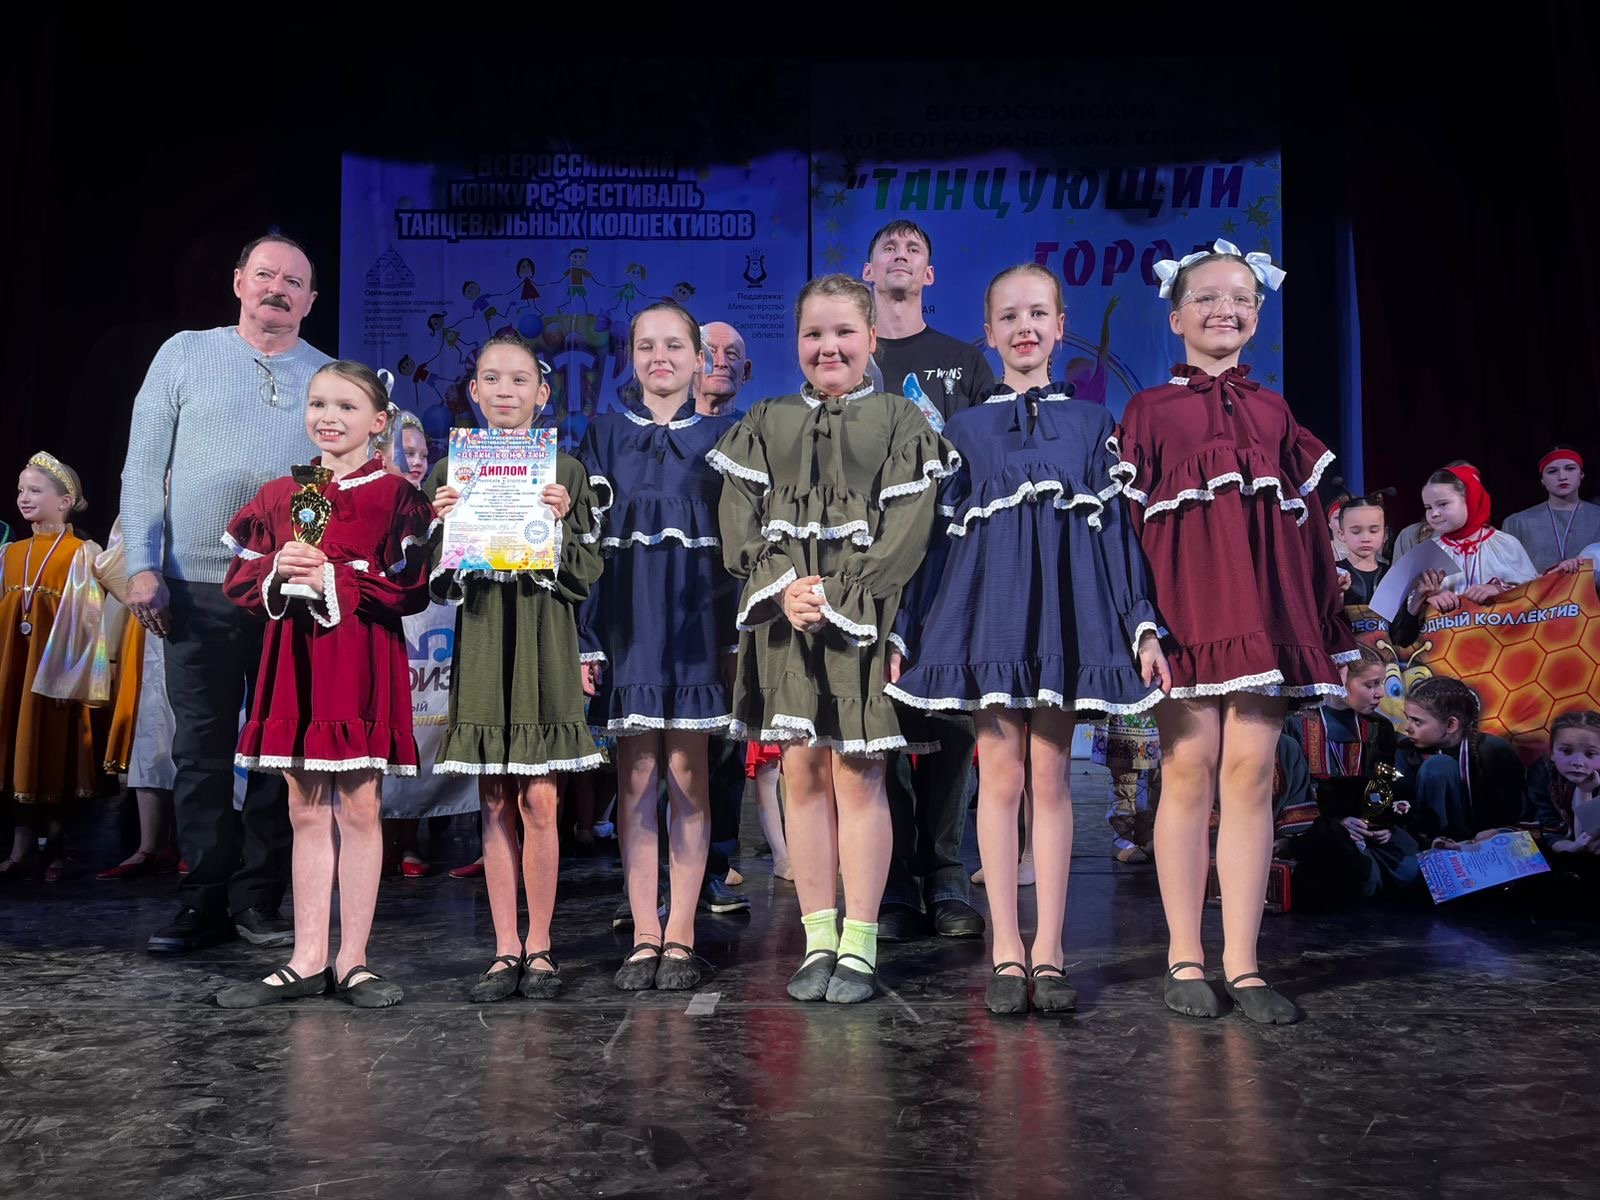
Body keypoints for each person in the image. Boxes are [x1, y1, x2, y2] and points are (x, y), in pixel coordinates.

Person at [885, 263, 1169, 1015]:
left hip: (1065, 617)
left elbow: (1118, 537)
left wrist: (1139, 621)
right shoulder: (963, 430)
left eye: (1038, 313)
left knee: (1050, 775)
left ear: (1059, 325)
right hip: (990, 615)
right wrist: (908, 626)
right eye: (1009, 316)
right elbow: (933, 542)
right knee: (1000, 775)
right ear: (988, 333)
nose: (1024, 327)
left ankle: (1051, 948)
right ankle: (1006, 947)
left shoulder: (1093, 424)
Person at [1120, 239, 1353, 1025]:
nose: (1227, 309)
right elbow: (1125, 529)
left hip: (1264, 614)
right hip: (1185, 614)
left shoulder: (1274, 410)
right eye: (1209, 297)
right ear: (1176, 315)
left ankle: (1244, 962)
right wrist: (1140, 623)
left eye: (1242, 298)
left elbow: (1305, 525)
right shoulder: (1149, 410)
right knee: (1189, 769)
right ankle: (1186, 954)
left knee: (1252, 775)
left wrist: (1323, 621)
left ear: (1257, 315)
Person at [711, 273, 956, 1003]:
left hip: (862, 619)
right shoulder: (766, 419)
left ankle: (861, 942)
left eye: (845, 332)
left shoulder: (900, 419)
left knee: (860, 774)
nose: (829, 346)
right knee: (802, 772)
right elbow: (739, 518)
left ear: (872, 338)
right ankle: (818, 937)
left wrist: (844, 595)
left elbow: (910, 529)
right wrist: (784, 586)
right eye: (813, 333)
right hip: (785, 618)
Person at [120, 234, 332, 953]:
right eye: (265, 275)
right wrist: (142, 565)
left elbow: (347, 480)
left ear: (310, 300)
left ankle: (257, 902)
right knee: (201, 753)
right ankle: (201, 901)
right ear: (238, 281)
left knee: (280, 754)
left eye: (293, 282)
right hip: (194, 586)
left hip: (289, 592)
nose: (277, 289)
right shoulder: (184, 353)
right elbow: (142, 468)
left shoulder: (329, 375)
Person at [212, 362, 434, 1008]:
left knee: (360, 807)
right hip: (296, 656)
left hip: (361, 657)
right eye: (317, 404)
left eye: (345, 406)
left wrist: (338, 576)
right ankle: (306, 958)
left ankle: (353, 960)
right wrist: (279, 568)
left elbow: (413, 588)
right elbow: (238, 582)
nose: (328, 417)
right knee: (304, 808)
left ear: (379, 421)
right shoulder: (281, 494)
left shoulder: (397, 497)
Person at [426, 332, 605, 1003]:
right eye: (492, 379)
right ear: (474, 390)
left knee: (541, 797)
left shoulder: (566, 471)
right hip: (482, 636)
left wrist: (558, 523)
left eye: (520, 379)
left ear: (543, 392)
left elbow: (586, 571)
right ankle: (505, 947)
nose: (506, 391)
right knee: (496, 796)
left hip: (543, 637)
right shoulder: (450, 471)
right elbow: (435, 581)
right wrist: (445, 527)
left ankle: (542, 945)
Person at [578, 303, 738, 990]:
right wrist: (586, 639)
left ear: (699, 358)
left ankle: (682, 932)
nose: (660, 357)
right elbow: (583, 544)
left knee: (688, 773)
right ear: (632, 356)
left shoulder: (729, 436)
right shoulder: (604, 434)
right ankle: (645, 930)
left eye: (674, 345)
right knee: (636, 776)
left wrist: (736, 639)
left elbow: (743, 548)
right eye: (647, 345)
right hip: (628, 624)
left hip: (698, 624)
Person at [862, 219, 993, 942]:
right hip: (873, 560)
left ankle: (945, 874)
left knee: (950, 716)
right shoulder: (851, 355)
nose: (902, 256)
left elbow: (986, 461)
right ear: (868, 271)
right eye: (889, 248)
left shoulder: (962, 361)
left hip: (948, 558)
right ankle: (891, 882)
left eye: (915, 249)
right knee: (878, 714)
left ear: (930, 275)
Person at [0, 452, 109, 882]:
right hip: (15, 669)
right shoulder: (11, 553)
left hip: (59, 672)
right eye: (20, 490)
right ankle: (22, 846)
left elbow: (90, 621)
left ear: (65, 501)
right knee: (18, 748)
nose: (24, 498)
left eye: (35, 490)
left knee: (56, 749)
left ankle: (60, 848)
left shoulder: (82, 553)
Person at [693, 320, 756, 914]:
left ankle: (717, 863)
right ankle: (654, 883)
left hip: (734, 602)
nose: (719, 361)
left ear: (747, 371)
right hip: (671, 602)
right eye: (708, 351)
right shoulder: (656, 434)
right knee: (657, 743)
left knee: (724, 741)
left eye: (731, 354)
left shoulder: (754, 432)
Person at [1280, 645, 1418, 906]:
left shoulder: (1379, 727)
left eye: (1381, 683)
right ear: (1340, 679)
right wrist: (1338, 822)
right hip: (1317, 827)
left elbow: (1383, 784)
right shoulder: (1294, 722)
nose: (1380, 693)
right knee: (1334, 847)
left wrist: (1382, 825)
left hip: (1364, 828)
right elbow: (1292, 791)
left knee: (1412, 869)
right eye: (1370, 684)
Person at [1502, 445, 1600, 572]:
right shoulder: (1517, 523)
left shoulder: (1597, 517)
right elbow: (1507, 574)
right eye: (1552, 471)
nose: (1562, 476)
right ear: (1542, 479)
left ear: (1581, 474)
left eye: (1570, 468)